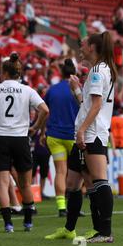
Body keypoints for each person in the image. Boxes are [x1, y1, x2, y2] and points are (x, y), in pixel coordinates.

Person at [45, 32, 117, 243]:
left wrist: (81, 130)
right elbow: (88, 105)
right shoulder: (103, 70)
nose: (80, 47)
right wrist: (77, 90)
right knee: (73, 182)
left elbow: (96, 106)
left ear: (93, 47)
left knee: (99, 180)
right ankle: (70, 229)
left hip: (91, 134)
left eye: (83, 44)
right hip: (89, 131)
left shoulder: (97, 71)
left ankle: (104, 232)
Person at [0, 53, 49, 233]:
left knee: (3, 183)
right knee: (25, 184)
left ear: (3, 73)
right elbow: (45, 110)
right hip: (21, 139)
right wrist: (35, 127)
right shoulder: (27, 90)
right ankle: (28, 222)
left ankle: (8, 224)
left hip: (1, 138)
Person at [41, 59, 80, 217]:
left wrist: (43, 132)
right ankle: (74, 205)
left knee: (60, 172)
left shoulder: (52, 90)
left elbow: (45, 111)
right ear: (74, 74)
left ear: (61, 73)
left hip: (54, 136)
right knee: (78, 173)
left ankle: (61, 207)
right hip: (73, 137)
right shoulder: (77, 89)